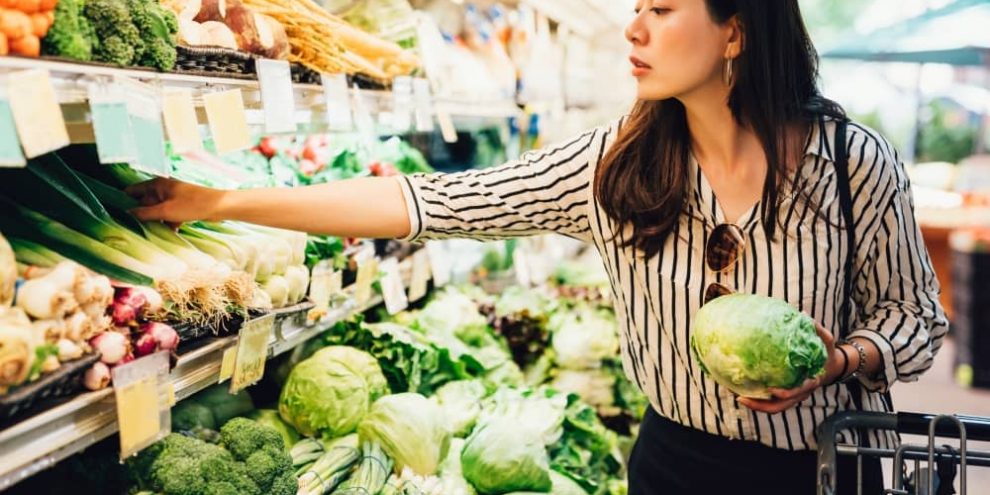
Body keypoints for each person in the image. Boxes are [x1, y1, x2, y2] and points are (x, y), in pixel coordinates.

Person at [127, 1, 948, 493]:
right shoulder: (616, 168)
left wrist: (839, 360)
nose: (634, 27)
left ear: (734, 33)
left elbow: (916, 318)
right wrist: (222, 199)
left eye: (661, 10)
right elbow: (433, 200)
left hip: (825, 469)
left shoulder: (850, 163)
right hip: (676, 464)